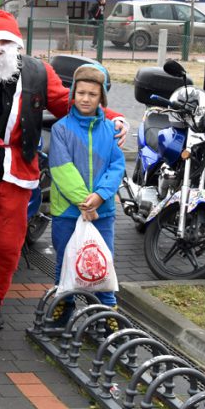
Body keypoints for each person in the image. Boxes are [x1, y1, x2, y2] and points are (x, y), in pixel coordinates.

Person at [0, 10, 127, 329]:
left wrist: (113, 117)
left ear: (17, 45)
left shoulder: (38, 72)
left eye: (5, 42)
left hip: (15, 175)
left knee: (7, 245)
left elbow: (71, 103)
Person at [49, 65, 124, 311]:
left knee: (103, 262)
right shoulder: (61, 129)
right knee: (65, 262)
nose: (85, 99)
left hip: (103, 211)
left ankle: (107, 310)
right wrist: (85, 202)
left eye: (92, 94)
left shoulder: (111, 130)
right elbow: (61, 168)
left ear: (102, 97)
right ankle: (63, 307)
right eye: (81, 93)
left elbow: (117, 166)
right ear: (73, 93)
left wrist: (100, 196)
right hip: (67, 212)